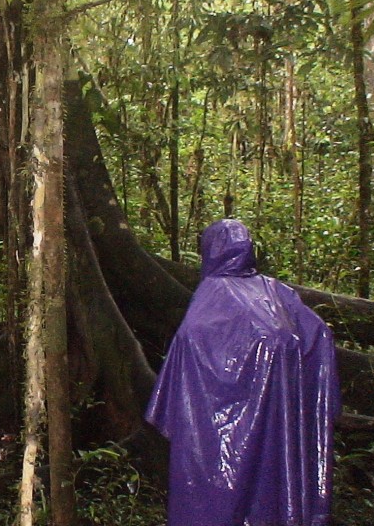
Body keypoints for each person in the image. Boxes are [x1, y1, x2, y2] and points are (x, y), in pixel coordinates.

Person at [145, 219, 341, 526]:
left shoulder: (210, 295)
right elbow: (319, 335)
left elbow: (188, 344)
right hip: (275, 421)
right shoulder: (275, 291)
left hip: (219, 435)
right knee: (272, 484)